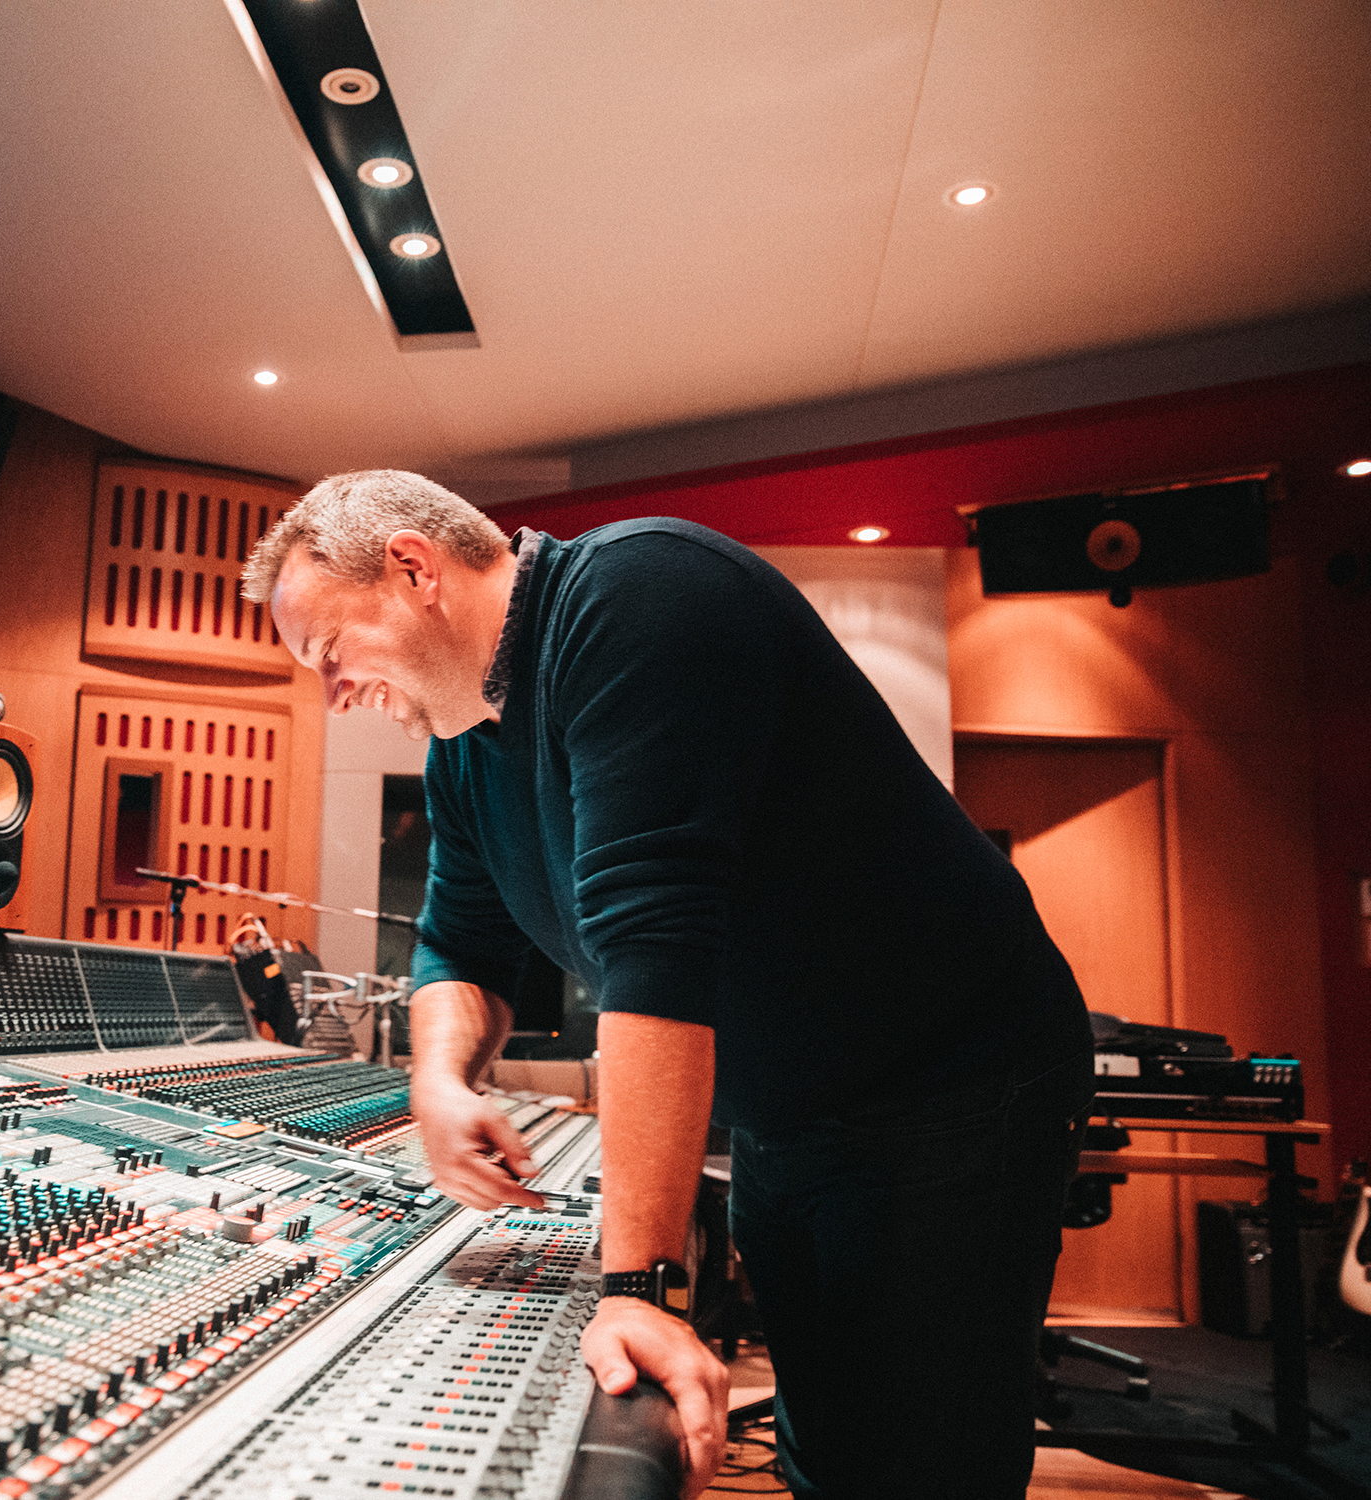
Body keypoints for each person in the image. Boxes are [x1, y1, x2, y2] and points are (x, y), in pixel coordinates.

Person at [243, 470, 1094, 1499]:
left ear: (412, 568)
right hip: (788, 1112)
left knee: (922, 1460)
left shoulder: (637, 593)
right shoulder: (463, 755)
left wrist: (637, 1286)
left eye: (330, 655)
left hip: (950, 1080)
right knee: (825, 1444)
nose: (335, 694)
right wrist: (438, 1081)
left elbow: (653, 945)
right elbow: (457, 949)